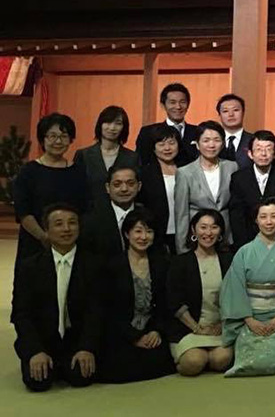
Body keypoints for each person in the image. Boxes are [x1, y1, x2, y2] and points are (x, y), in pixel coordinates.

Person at [13, 203, 100, 392]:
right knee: (38, 382)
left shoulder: (93, 265)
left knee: (81, 378)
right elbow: (21, 314)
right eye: (59, 224)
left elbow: (96, 311)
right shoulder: (29, 267)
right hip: (43, 341)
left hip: (76, 342)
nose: (66, 229)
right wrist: (35, 351)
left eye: (72, 223)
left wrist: (87, 347)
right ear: (46, 230)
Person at [220, 199, 275, 376]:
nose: (269, 222)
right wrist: (249, 319)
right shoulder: (244, 252)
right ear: (256, 220)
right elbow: (235, 289)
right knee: (247, 362)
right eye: (263, 217)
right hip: (249, 317)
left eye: (274, 216)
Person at [99, 208, 175, 383]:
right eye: (138, 231)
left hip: (151, 330)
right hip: (122, 332)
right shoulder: (113, 265)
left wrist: (156, 330)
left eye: (149, 232)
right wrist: (135, 337)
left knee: (161, 361)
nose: (143, 237)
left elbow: (165, 304)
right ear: (127, 234)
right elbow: (108, 309)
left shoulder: (161, 263)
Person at [13, 113, 89, 267]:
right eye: (52, 136)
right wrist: (44, 237)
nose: (58, 141)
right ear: (43, 139)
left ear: (70, 139)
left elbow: (85, 208)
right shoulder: (28, 172)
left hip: (70, 244)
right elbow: (23, 211)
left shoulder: (79, 172)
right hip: (35, 243)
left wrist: (68, 236)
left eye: (64, 136)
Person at [166, 209, 234, 376]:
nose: (208, 233)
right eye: (203, 227)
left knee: (221, 360)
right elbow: (174, 301)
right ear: (193, 230)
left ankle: (209, 356)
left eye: (214, 227)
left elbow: (236, 297)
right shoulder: (180, 262)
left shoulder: (229, 260)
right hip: (188, 328)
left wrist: (222, 325)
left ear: (220, 232)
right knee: (194, 362)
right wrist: (196, 328)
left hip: (219, 328)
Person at [174, 121, 238, 251]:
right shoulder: (185, 173)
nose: (211, 145)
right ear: (197, 144)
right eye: (206, 140)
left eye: (216, 140)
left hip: (225, 237)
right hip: (198, 237)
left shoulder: (232, 167)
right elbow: (181, 214)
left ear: (223, 143)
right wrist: (181, 248)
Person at [230, 130, 275, 248]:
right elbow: (237, 216)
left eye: (268, 149)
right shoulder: (239, 178)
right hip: (248, 242)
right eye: (259, 149)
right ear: (250, 153)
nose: (263, 154)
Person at [73, 105, 138, 211]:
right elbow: (77, 189)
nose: (112, 128)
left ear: (124, 127)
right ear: (100, 125)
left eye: (118, 123)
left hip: (123, 212)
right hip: (91, 212)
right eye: (108, 122)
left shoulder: (132, 157)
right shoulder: (84, 155)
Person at [81, 165, 142, 261]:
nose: (124, 189)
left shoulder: (148, 216)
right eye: (117, 184)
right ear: (108, 188)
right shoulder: (91, 221)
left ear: (139, 186)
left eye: (130, 183)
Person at [138, 124, 181, 253]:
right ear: (153, 147)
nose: (167, 148)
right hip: (157, 234)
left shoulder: (187, 169)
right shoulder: (145, 173)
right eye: (161, 144)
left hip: (184, 232)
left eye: (171, 143)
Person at [135, 82, 199, 166]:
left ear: (188, 104)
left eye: (182, 102)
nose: (178, 107)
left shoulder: (198, 131)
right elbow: (140, 161)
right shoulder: (148, 132)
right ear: (163, 105)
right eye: (172, 102)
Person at [217, 93, 252, 169]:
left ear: (243, 112)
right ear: (219, 115)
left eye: (236, 110)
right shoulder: (213, 141)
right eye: (225, 111)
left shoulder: (253, 140)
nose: (231, 114)